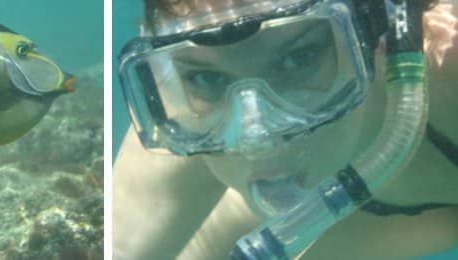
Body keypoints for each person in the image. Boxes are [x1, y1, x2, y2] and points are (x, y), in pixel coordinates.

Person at [113, 0, 458, 259]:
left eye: (300, 57)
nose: (257, 134)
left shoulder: (449, 65)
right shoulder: (182, 119)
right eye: (207, 78)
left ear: (374, 31)